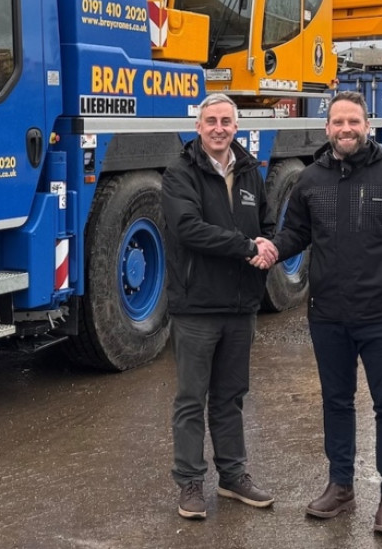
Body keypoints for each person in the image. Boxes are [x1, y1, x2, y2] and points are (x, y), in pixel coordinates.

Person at [267, 90, 382, 536]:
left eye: (354, 121)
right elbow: (296, 234)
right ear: (327, 128)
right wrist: (268, 249)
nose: (346, 129)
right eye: (338, 122)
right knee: (336, 401)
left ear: (367, 125)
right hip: (328, 316)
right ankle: (340, 485)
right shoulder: (310, 180)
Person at [162, 92, 278, 520]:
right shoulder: (180, 173)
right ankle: (190, 483)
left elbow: (267, 222)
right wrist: (248, 247)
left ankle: (232, 476)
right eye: (210, 121)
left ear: (236, 126)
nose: (218, 128)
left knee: (230, 397)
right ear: (198, 127)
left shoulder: (249, 171)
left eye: (226, 122)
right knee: (191, 399)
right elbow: (188, 229)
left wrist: (268, 247)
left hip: (240, 305)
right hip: (196, 306)